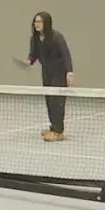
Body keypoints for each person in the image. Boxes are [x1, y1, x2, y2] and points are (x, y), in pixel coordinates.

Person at [22, 11, 74, 142]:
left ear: (46, 23)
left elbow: (66, 55)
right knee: (49, 100)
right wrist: (29, 61)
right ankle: (53, 128)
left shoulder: (57, 37)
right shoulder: (35, 38)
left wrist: (69, 72)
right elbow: (33, 54)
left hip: (59, 73)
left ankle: (59, 132)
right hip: (46, 72)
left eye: (40, 22)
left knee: (57, 101)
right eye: (35, 22)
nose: (37, 24)